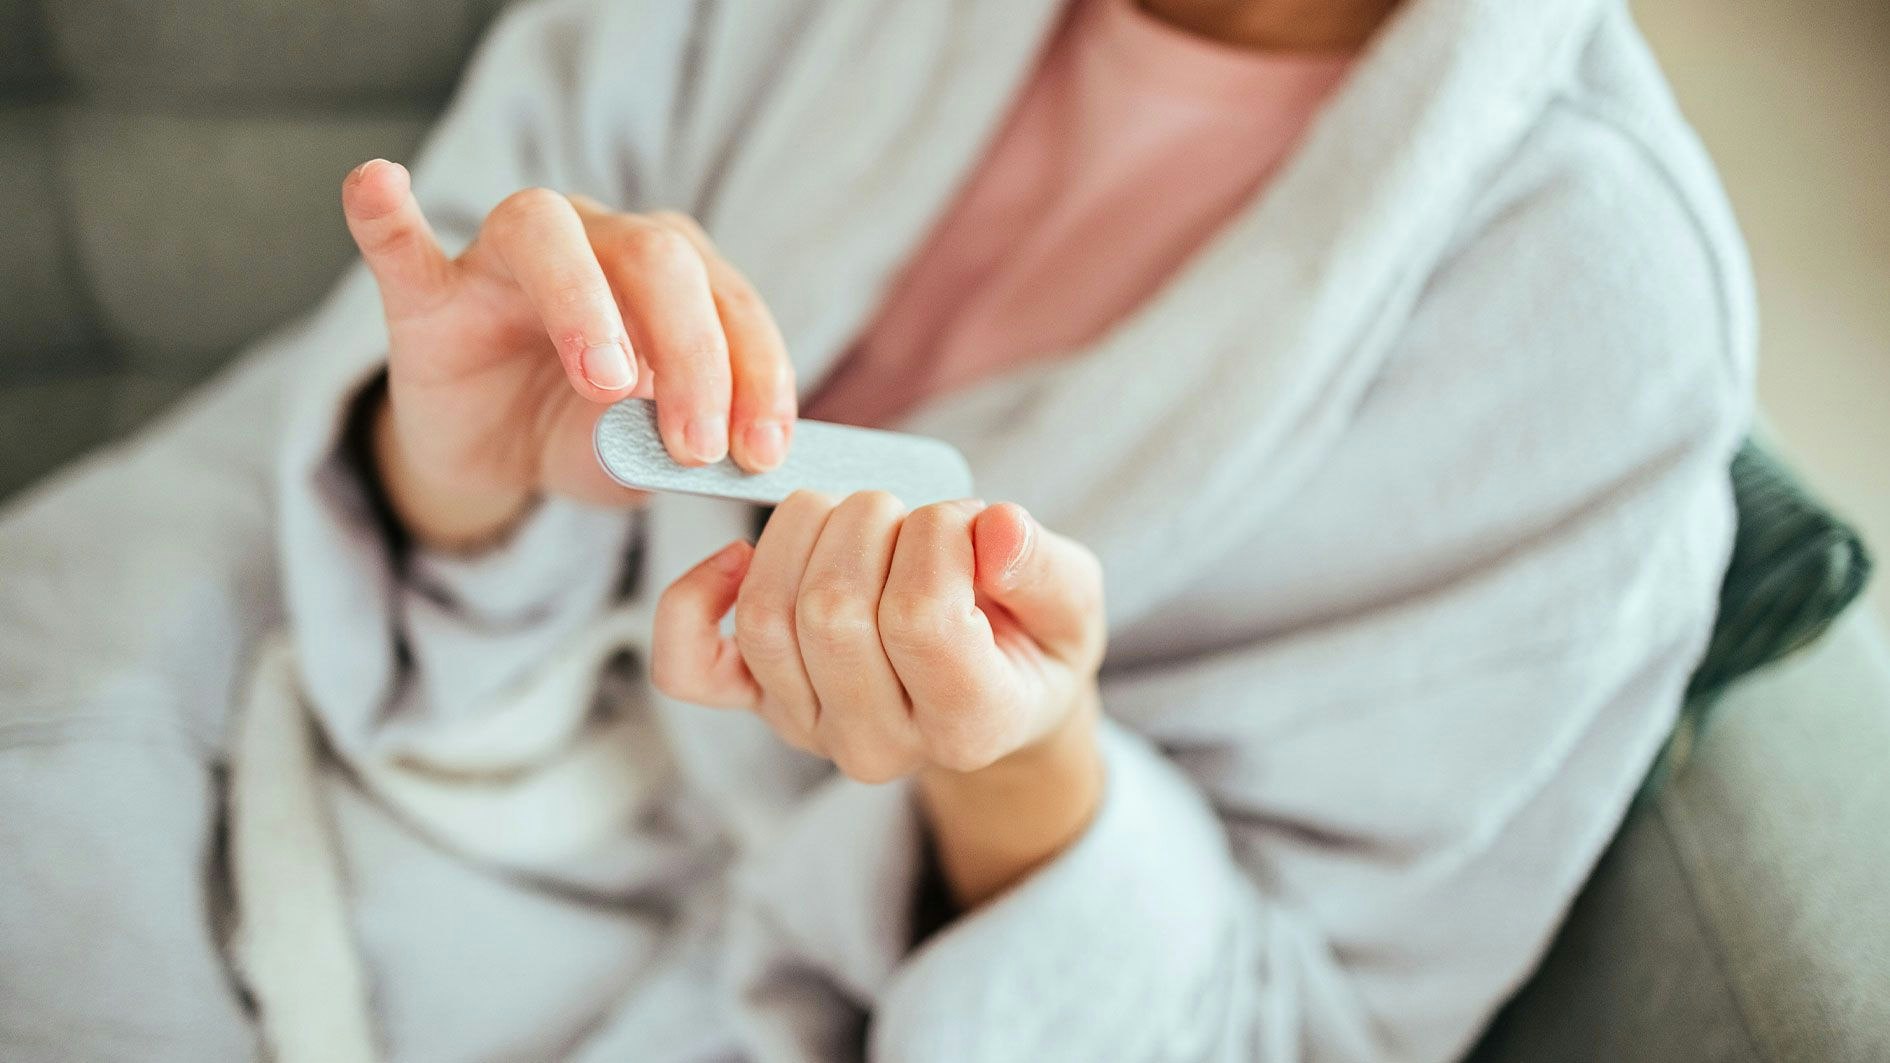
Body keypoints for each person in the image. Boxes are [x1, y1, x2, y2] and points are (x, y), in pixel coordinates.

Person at [0, 0, 1753, 1059]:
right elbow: (457, 332)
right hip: (275, 711)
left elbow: (1298, 1035)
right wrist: (462, 466)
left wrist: (1015, 774)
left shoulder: (1604, 320)